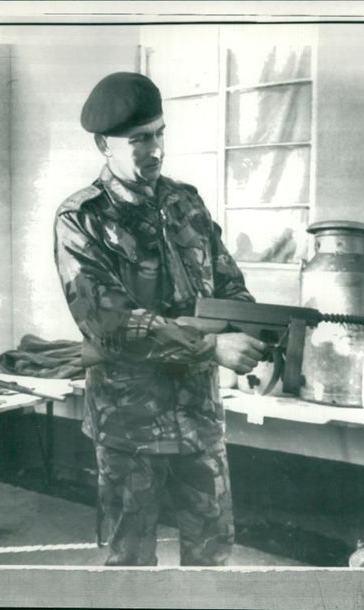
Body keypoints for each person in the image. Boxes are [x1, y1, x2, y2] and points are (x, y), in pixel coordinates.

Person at [53, 72, 266, 566]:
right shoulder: (81, 219)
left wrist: (254, 328)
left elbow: (229, 285)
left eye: (159, 133)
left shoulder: (185, 203)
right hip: (130, 424)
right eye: (139, 139)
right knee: (131, 562)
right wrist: (213, 346)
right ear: (104, 144)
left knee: (212, 553)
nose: (154, 149)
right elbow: (111, 322)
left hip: (199, 418)